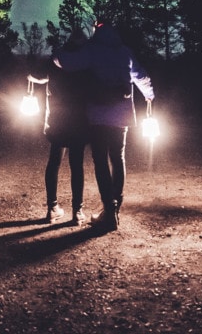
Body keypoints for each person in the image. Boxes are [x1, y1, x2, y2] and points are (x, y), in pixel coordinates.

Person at [53, 19, 154, 232]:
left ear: (96, 31)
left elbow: (67, 62)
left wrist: (57, 52)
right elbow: (141, 75)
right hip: (122, 116)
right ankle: (114, 209)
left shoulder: (92, 50)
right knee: (118, 158)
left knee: (100, 161)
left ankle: (108, 210)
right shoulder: (124, 51)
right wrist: (150, 96)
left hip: (99, 116)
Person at [42, 28, 91, 224]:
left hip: (59, 116)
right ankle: (77, 211)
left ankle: (52, 208)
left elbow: (41, 75)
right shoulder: (87, 61)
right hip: (79, 118)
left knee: (54, 161)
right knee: (76, 165)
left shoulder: (57, 58)